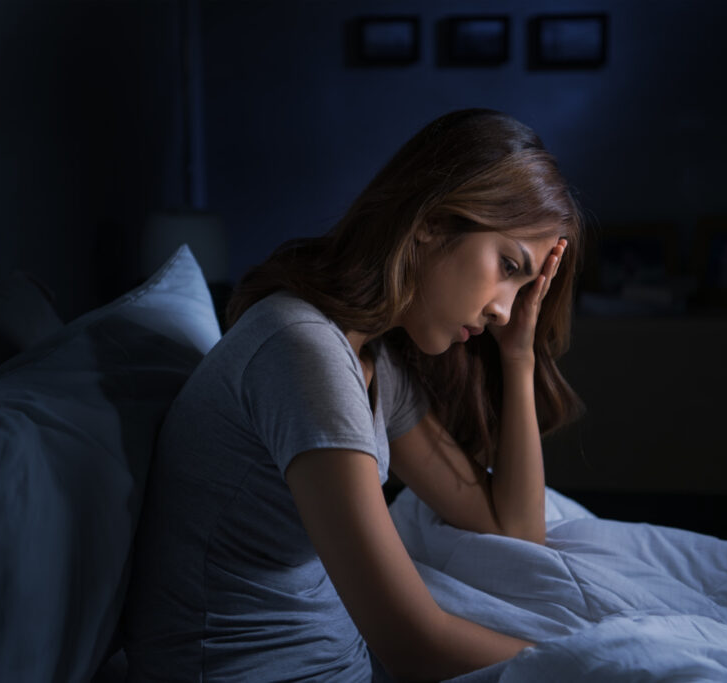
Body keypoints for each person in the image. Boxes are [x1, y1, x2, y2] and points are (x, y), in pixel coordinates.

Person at [122, 108, 585, 682]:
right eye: (508, 267)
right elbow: (415, 645)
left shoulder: (373, 360)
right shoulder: (304, 352)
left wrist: (519, 357)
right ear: (431, 223)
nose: (503, 311)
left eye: (523, 286)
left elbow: (513, 531)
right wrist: (587, 666)